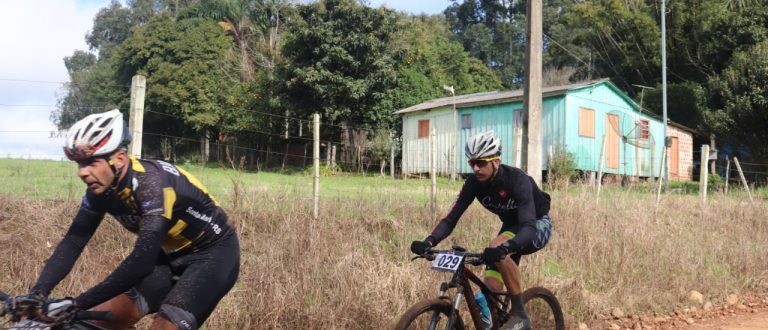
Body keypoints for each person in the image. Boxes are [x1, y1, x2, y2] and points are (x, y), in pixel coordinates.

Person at [10, 109, 240, 330]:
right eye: (79, 164)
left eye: (91, 162)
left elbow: (141, 263)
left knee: (164, 324)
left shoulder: (152, 186)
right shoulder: (101, 190)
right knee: (103, 320)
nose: (82, 172)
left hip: (213, 255)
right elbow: (73, 241)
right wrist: (37, 294)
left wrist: (77, 303)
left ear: (119, 159)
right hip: (169, 257)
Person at [410, 130, 552, 330]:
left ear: (496, 161)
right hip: (512, 227)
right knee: (491, 289)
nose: (476, 168)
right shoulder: (473, 183)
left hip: (536, 224)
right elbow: (451, 219)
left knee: (497, 246)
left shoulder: (517, 179)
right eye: (471, 163)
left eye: (481, 162)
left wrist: (506, 247)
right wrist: (429, 241)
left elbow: (527, 226)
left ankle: (520, 316)